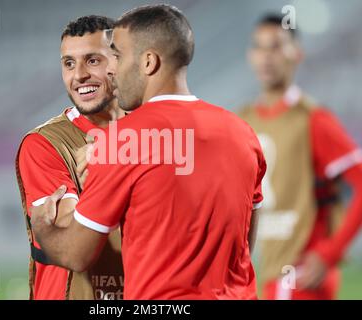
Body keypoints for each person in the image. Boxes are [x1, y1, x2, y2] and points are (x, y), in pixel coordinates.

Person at [30, 4, 266, 300]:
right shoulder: (243, 133)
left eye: (117, 55)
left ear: (149, 62)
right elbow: (244, 242)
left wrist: (42, 227)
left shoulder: (123, 142)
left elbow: (76, 255)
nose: (111, 69)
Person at [239, 13, 362, 300]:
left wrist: (330, 253)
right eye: (260, 47)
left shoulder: (313, 119)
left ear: (296, 54)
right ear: (250, 56)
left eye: (276, 46)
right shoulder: (243, 120)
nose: (266, 57)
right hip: (269, 269)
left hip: (298, 277)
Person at [15, 15, 124, 300]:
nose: (79, 76)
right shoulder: (42, 144)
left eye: (92, 60)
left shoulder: (151, 138)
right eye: (69, 63)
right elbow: (69, 239)